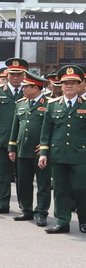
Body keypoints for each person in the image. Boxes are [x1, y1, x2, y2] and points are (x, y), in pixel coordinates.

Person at [38, 65, 86, 234]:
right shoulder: (52, 105)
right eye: (66, 83)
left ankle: (84, 220)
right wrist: (43, 153)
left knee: (81, 188)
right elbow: (46, 131)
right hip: (58, 154)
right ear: (61, 85)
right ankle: (62, 221)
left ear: (79, 85)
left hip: (81, 155)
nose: (69, 86)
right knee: (60, 189)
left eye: (73, 83)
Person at [8, 71, 51, 226]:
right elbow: (15, 127)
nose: (23, 89)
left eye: (26, 87)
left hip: (40, 151)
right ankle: (26, 209)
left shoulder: (48, 104)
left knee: (43, 183)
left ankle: (41, 212)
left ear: (36, 88)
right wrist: (12, 147)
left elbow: (53, 128)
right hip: (22, 149)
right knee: (23, 182)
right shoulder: (20, 103)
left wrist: (47, 146)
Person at [0, 58, 26, 214]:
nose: (15, 77)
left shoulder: (29, 90)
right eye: (12, 74)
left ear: (24, 75)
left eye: (19, 74)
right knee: (2, 173)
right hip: (2, 138)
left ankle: (25, 206)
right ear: (7, 75)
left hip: (22, 140)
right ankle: (2, 203)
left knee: (23, 175)